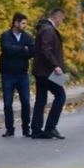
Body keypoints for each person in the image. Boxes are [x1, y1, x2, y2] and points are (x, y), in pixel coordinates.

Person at [31, 8, 67, 140]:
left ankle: (36, 129)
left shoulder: (44, 28)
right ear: (57, 17)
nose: (61, 22)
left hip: (42, 71)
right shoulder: (48, 30)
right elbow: (46, 50)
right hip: (49, 71)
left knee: (41, 99)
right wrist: (56, 65)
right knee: (60, 96)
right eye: (62, 19)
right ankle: (50, 127)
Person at [0, 12, 35, 138]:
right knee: (7, 103)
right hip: (8, 73)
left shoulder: (28, 37)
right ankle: (10, 129)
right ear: (16, 23)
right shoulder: (5, 36)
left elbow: (32, 52)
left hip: (22, 74)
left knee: (25, 101)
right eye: (23, 23)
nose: (25, 26)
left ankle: (26, 128)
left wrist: (18, 49)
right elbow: (6, 49)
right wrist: (22, 49)